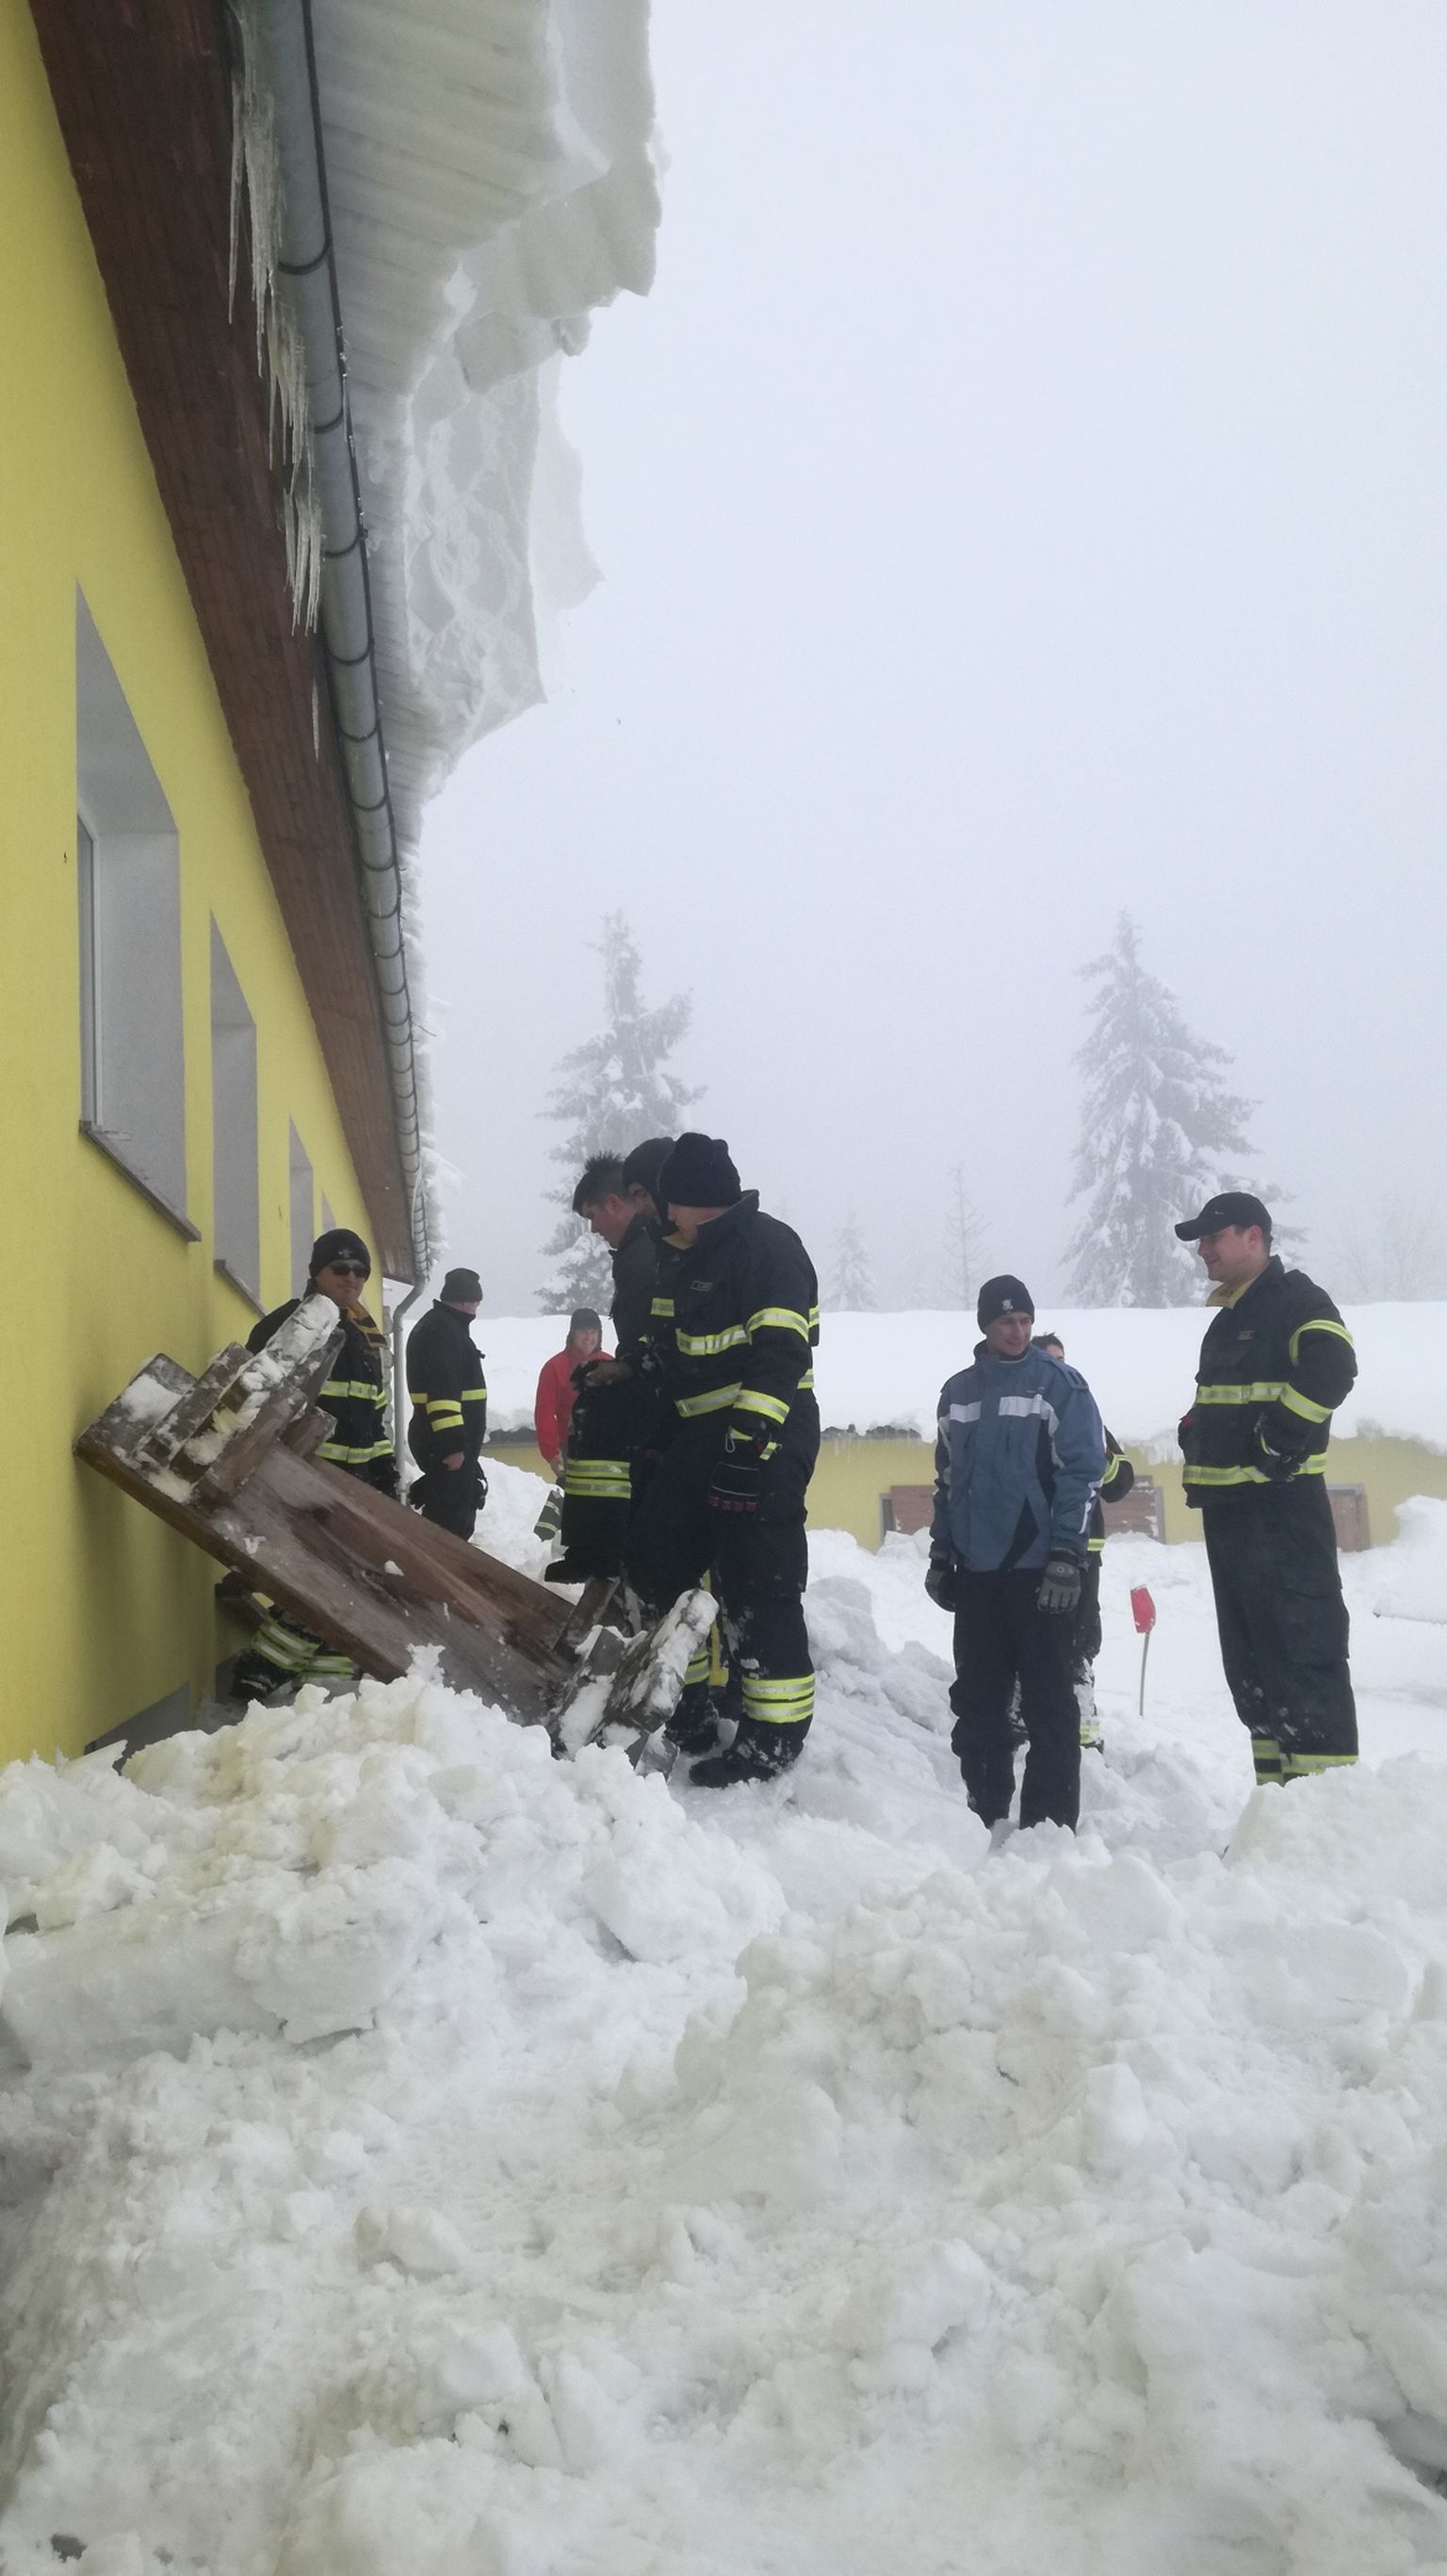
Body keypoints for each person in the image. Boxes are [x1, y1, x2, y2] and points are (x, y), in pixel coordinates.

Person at [626, 1132, 821, 1788]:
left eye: (667, 1201)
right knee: (659, 1560)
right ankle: (688, 1709)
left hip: (767, 1432)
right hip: (701, 1434)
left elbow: (781, 1356)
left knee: (758, 1582)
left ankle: (772, 1740)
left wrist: (748, 1446)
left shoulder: (768, 1248)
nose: (661, 1213)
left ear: (691, 1199)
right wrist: (632, 1372)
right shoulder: (683, 1254)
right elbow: (668, 1344)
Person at [1175, 1191, 1358, 1788]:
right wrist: (1195, 1429)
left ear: (1253, 1235)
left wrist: (1277, 1441)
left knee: (1303, 1663)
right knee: (1254, 1673)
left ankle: (1324, 1816)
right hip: (1233, 1521)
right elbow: (1227, 1401)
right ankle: (1277, 1813)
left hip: (1282, 1519)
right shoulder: (1229, 1322)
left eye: (1213, 1237)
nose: (1203, 1251)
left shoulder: (1295, 1301)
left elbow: (1333, 1367)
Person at [926, 1277, 1105, 1835]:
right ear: (986, 1325)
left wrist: (1067, 1556)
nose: (1018, 1331)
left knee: (1049, 1707)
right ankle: (983, 1819)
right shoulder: (957, 1393)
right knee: (978, 1705)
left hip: (1041, 1576)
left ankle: (1048, 1828)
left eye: (1026, 1320)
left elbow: (1083, 1473)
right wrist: (941, 1553)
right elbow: (948, 1481)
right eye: (1006, 1321)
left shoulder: (1059, 1385)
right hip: (978, 1577)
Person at [230, 1227, 397, 1704]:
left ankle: (328, 1687)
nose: (352, 1278)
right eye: (340, 1268)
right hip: (297, 1483)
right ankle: (262, 1666)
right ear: (316, 1272)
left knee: (350, 1582)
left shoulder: (362, 1342)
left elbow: (375, 1420)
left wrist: (384, 1472)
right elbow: (256, 1405)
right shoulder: (290, 1328)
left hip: (350, 1490)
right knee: (318, 1580)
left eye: (361, 1271)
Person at [546, 1138, 675, 1581]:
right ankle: (596, 1543)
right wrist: (618, 1366)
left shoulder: (646, 1252)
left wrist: (629, 1369)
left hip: (666, 1385)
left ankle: (599, 1545)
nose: (593, 1229)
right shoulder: (639, 1250)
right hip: (652, 1372)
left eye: (592, 1216)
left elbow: (660, 1329)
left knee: (597, 1417)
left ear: (615, 1203)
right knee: (595, 1406)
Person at [1032, 1331, 1135, 1751]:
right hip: (1031, 1552)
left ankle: (1085, 1740)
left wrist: (1097, 1454)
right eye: (1049, 1361)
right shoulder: (1021, 1414)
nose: (1059, 1369)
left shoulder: (1086, 1414)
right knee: (1034, 1643)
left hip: (1083, 1553)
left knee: (1079, 1644)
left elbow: (1120, 1483)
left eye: (1063, 1360)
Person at [406, 1267, 489, 1540]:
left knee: (450, 1511)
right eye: (475, 1302)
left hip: (441, 1442)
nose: (476, 1309)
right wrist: (452, 1445)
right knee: (449, 1526)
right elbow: (443, 1393)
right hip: (446, 1446)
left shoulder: (441, 1326)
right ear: (466, 1301)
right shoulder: (444, 1332)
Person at [534, 1308, 604, 1474]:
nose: (589, 1338)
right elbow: (545, 1413)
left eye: (593, 1332)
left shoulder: (610, 1364)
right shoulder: (555, 1367)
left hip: (607, 1446)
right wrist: (551, 1452)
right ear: (573, 1334)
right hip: (570, 1447)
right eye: (583, 1332)